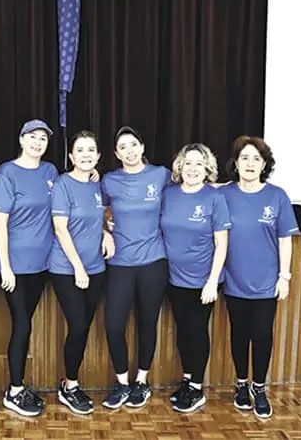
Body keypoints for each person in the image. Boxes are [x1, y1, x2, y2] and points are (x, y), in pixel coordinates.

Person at [220, 136, 298, 419]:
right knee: (239, 334)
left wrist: (284, 276)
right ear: (236, 163)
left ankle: (260, 387)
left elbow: (285, 239)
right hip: (234, 280)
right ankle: (241, 384)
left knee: (262, 334)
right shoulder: (224, 195)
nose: (250, 164)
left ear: (264, 165)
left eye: (256, 159)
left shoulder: (277, 196)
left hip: (266, 282)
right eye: (245, 158)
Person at [101, 126, 170, 409]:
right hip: (120, 263)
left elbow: (192, 187)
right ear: (116, 154)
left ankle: (141, 381)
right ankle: (122, 383)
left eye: (133, 144)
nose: (129, 151)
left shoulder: (161, 175)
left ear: (142, 147)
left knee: (147, 322)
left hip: (153, 261)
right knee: (113, 324)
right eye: (122, 147)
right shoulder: (108, 180)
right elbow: (94, 209)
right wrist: (104, 231)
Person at [0, 119, 58, 417]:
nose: (37, 142)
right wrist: (5, 266)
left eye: (43, 138)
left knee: (26, 321)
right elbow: (0, 222)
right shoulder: (8, 172)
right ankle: (15, 390)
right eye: (32, 137)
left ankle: (18, 385)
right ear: (21, 140)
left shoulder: (50, 172)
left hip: (41, 265)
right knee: (22, 325)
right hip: (15, 266)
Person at [160, 143, 231, 413]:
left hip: (204, 281)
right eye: (188, 163)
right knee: (183, 330)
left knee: (197, 330)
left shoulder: (214, 197)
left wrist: (212, 281)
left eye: (198, 164)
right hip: (175, 279)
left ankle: (197, 388)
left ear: (207, 168)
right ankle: (188, 380)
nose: (192, 169)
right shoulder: (169, 194)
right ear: (180, 167)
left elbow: (221, 243)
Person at [48, 130, 114, 415]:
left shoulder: (96, 185)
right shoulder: (63, 185)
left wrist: (105, 233)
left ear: (97, 157)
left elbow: (98, 218)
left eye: (91, 150)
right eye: (80, 150)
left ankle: (69, 381)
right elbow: (60, 229)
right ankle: (70, 386)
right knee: (76, 326)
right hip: (67, 269)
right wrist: (78, 267)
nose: (86, 155)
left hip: (96, 268)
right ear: (71, 156)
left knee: (83, 327)